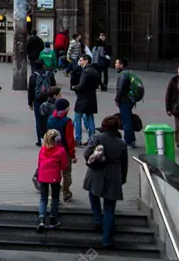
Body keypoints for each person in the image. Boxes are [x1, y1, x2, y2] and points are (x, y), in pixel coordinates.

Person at [83, 115, 129, 248]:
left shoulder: (97, 138)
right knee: (109, 207)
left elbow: (86, 154)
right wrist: (123, 178)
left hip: (97, 172)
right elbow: (124, 163)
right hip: (114, 174)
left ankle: (98, 220)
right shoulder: (121, 143)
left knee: (93, 194)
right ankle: (107, 238)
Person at [36, 129, 70, 232]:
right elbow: (64, 166)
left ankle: (41, 219)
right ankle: (52, 219)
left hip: (42, 176)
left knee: (43, 198)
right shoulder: (61, 150)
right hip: (54, 177)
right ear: (58, 139)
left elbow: (39, 163)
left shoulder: (42, 149)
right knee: (55, 197)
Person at [46, 98, 77, 202]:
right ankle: (66, 192)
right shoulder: (67, 121)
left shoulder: (50, 119)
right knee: (67, 172)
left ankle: (53, 194)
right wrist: (72, 154)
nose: (69, 108)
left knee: (54, 172)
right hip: (64, 151)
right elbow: (70, 139)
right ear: (65, 108)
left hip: (52, 150)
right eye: (68, 106)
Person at [72, 54, 100, 146]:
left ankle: (78, 139)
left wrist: (74, 87)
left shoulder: (85, 72)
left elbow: (81, 85)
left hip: (83, 98)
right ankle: (92, 139)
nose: (80, 62)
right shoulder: (95, 71)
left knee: (77, 118)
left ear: (86, 61)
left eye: (81, 60)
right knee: (90, 118)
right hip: (92, 98)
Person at [28, 62, 57, 145]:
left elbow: (31, 91)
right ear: (43, 66)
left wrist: (30, 102)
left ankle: (40, 139)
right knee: (49, 119)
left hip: (37, 100)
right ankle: (49, 139)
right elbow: (53, 87)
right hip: (48, 100)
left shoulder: (33, 77)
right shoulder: (49, 75)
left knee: (38, 120)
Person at [114, 57, 137, 148]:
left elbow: (121, 88)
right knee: (128, 119)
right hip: (130, 100)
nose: (115, 65)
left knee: (126, 121)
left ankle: (128, 141)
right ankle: (132, 139)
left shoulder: (122, 75)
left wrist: (117, 99)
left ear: (121, 65)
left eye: (117, 63)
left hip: (124, 100)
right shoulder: (129, 73)